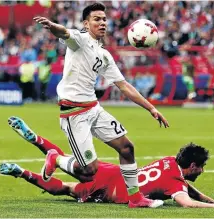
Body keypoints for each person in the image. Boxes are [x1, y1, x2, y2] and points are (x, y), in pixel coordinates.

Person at [32, 2, 169, 208]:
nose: (102, 22)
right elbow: (63, 33)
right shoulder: (80, 40)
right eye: (97, 19)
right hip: (74, 113)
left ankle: (135, 198)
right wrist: (52, 25)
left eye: (104, 19)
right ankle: (57, 159)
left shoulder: (104, 55)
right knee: (88, 171)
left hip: (93, 108)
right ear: (86, 24)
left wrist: (151, 107)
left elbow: (124, 86)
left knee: (126, 148)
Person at [0, 117, 214, 208]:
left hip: (114, 172)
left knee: (79, 166)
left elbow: (189, 189)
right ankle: (22, 172)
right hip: (112, 191)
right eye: (201, 167)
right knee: (64, 189)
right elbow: (186, 201)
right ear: (192, 166)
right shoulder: (176, 184)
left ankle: (38, 141)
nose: (202, 171)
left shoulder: (170, 162)